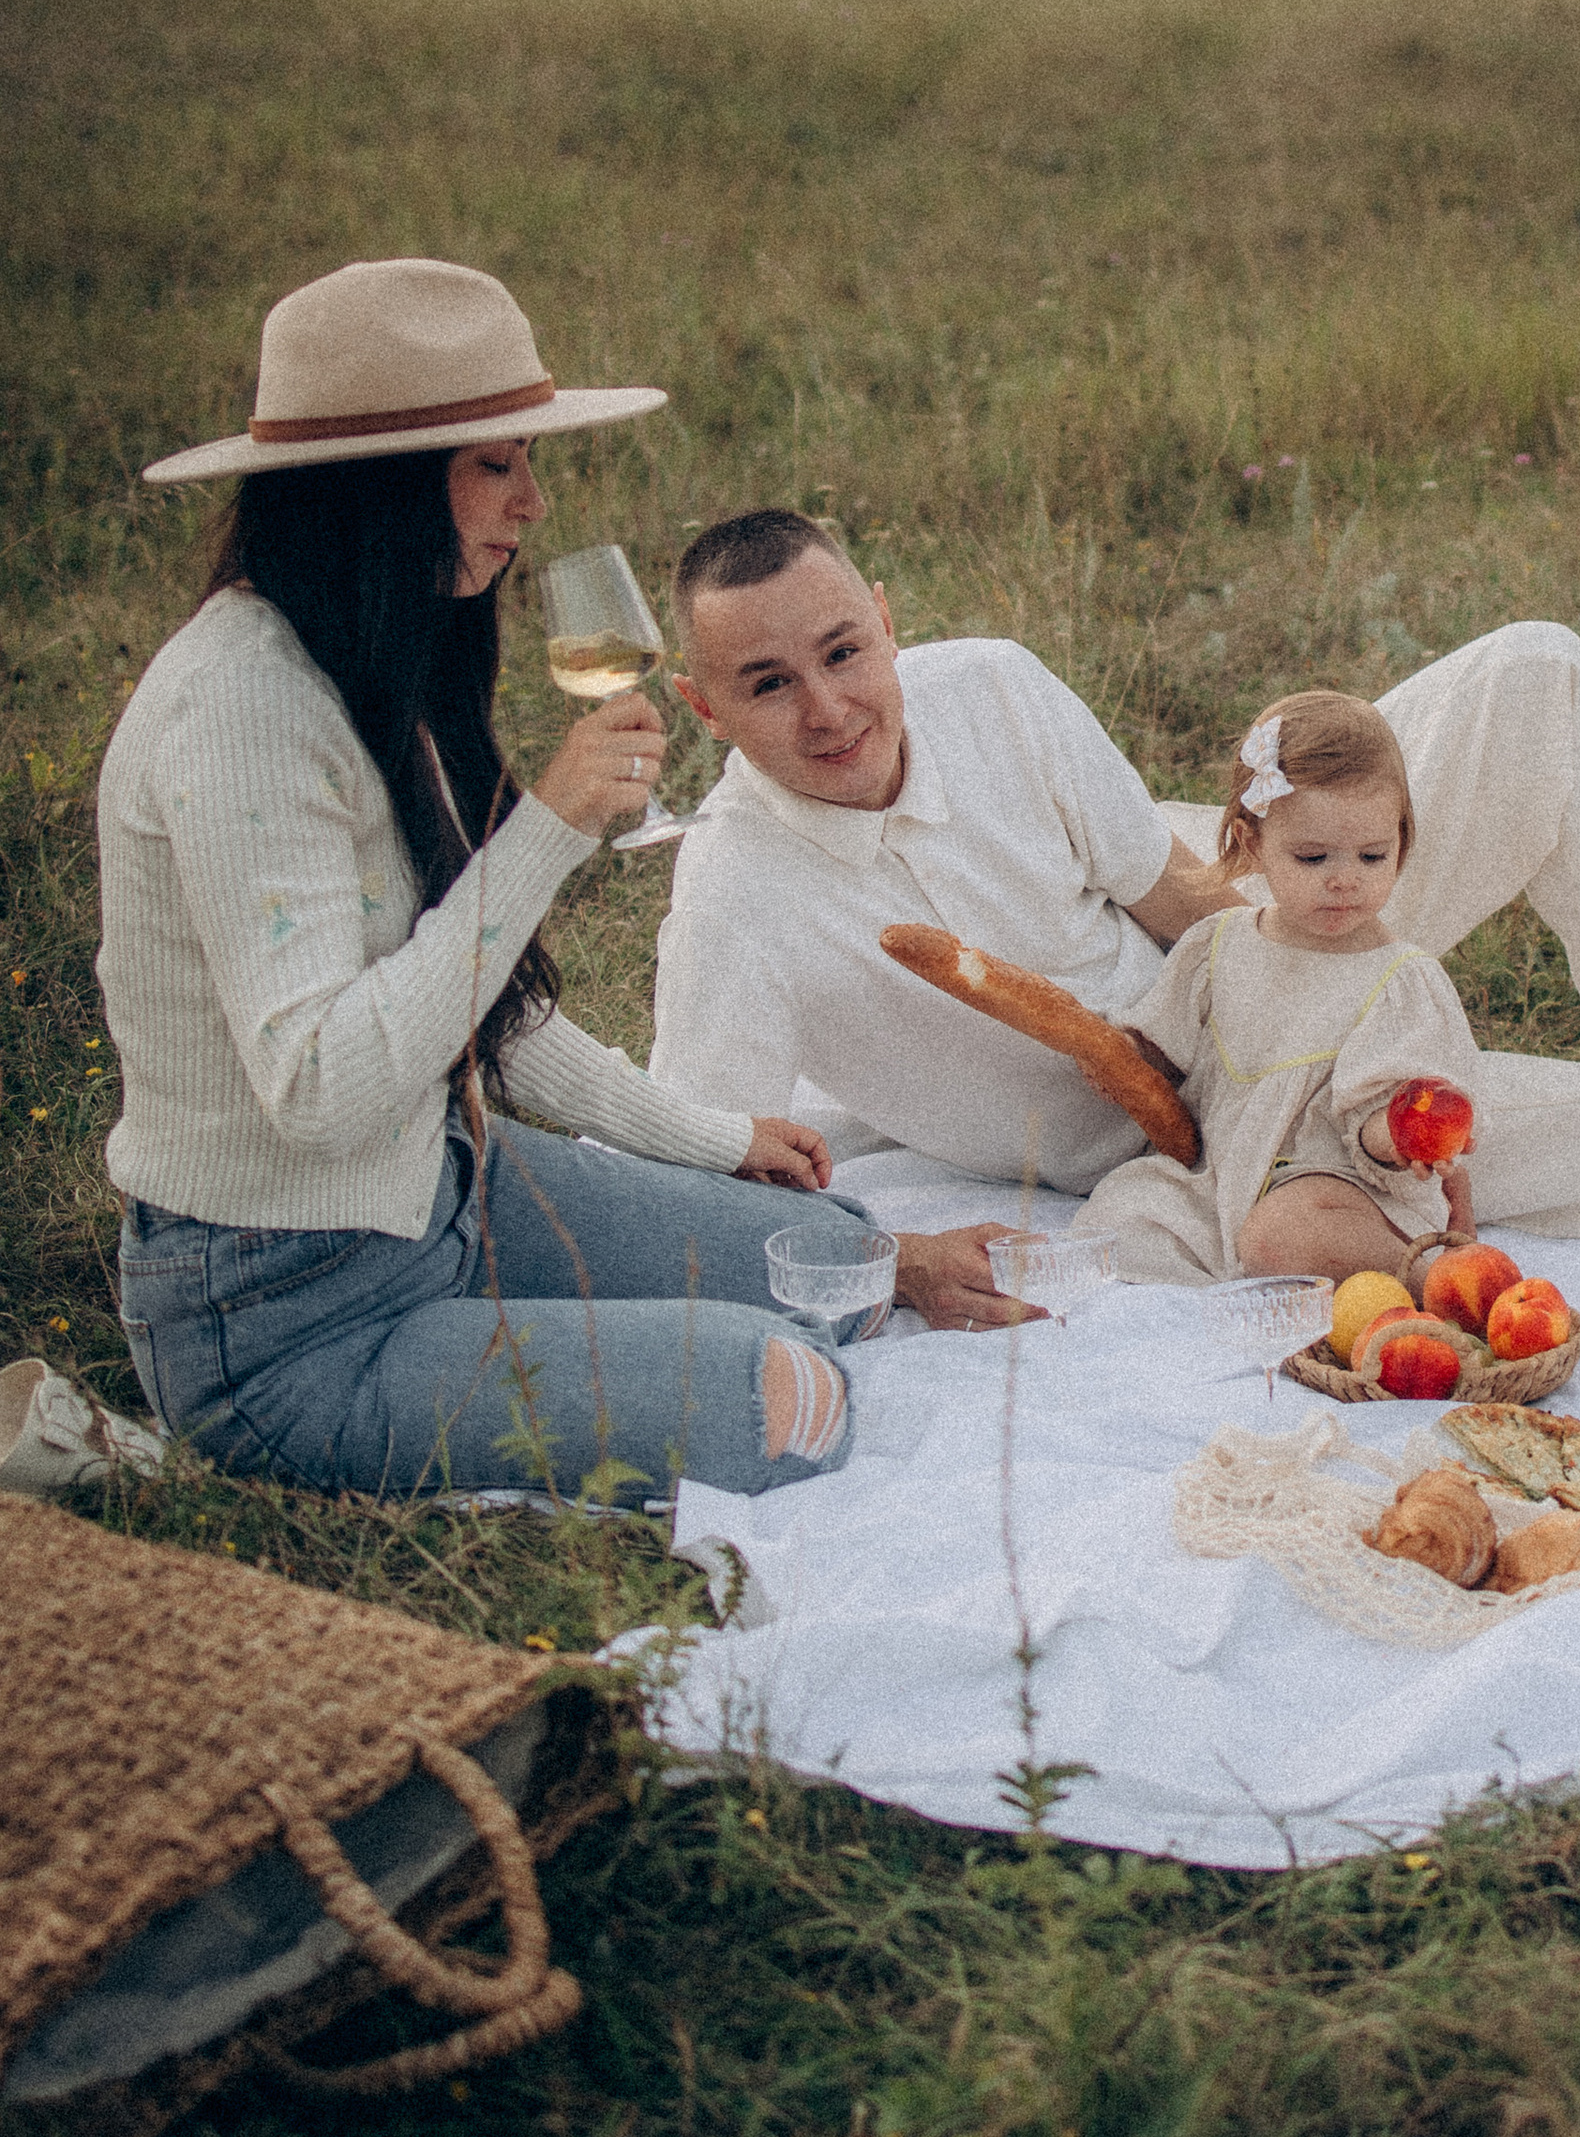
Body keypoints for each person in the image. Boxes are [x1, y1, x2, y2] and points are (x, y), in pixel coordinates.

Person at [99, 259, 962, 1497]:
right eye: (497, 465)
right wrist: (547, 830)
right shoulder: (241, 710)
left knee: (829, 1258)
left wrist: (703, 1140)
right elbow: (323, 1091)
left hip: (455, 1186)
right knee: (784, 1397)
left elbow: (474, 998)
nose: (533, 501)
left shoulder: (372, 655)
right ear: (388, 487)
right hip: (286, 1314)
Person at [647, 510, 1580, 1314]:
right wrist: (895, 1263)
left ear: (886, 620)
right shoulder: (732, 896)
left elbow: (1174, 894)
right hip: (1215, 1123)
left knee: (1532, 673)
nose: (830, 707)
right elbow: (697, 1173)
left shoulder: (990, 683)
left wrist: (1334, 964)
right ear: (705, 708)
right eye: (767, 684)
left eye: (846, 651)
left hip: (1256, 935)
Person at [1069, 692, 1482, 1286]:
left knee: (1280, 1237)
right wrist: (1129, 1057)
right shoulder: (1220, 946)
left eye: (1373, 856)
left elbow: (1388, 1107)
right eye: (1313, 858)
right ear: (1252, 842)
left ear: (1402, 843)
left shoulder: (1398, 979)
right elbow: (1167, 1046)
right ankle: (1232, 1269)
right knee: (1118, 1216)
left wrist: (1395, 1135)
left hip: (1341, 1186)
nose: (1345, 880)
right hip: (1222, 1178)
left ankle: (1431, 1277)